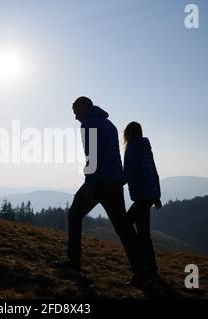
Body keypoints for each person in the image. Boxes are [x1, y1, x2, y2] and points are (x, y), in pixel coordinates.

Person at [52, 97, 144, 281]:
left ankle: (74, 263)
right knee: (123, 227)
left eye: (76, 112)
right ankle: (141, 270)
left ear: (84, 108)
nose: (75, 117)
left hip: (101, 181)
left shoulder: (89, 124)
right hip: (115, 182)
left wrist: (90, 184)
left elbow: (93, 156)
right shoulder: (107, 124)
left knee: (74, 214)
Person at [123, 121, 162, 279]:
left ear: (128, 133)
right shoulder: (146, 149)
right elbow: (155, 172)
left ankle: (148, 268)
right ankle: (143, 264)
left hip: (141, 196)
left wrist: (113, 181)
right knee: (133, 227)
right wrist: (157, 196)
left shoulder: (132, 148)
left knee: (140, 232)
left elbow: (127, 173)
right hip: (149, 195)